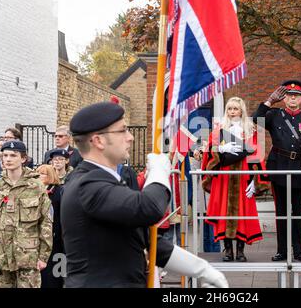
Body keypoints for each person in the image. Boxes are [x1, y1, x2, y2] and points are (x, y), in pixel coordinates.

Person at [61, 101, 228, 288]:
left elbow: (147, 239)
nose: (130, 137)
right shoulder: (87, 184)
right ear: (98, 141)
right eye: (122, 131)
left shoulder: (106, 180)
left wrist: (203, 270)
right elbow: (148, 208)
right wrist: (159, 172)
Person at [253, 80, 301, 262]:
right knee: (281, 212)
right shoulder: (274, 115)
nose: (292, 99)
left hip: (300, 170)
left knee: (298, 213)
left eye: (296, 96)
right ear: (284, 98)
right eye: (289, 95)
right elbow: (255, 119)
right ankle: (282, 250)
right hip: (279, 168)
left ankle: (298, 250)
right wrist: (269, 101)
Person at [203, 97, 268, 262]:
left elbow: (257, 155)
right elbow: (209, 151)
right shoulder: (219, 129)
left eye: (235, 109)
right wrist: (220, 148)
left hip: (243, 176)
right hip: (224, 178)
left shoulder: (250, 130)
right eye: (230, 108)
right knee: (224, 212)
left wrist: (256, 181)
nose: (232, 112)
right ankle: (227, 251)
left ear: (241, 110)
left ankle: (240, 251)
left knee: (242, 213)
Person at [0, 141, 52, 288]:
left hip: (28, 256)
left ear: (23, 159)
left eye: (13, 155)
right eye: (5, 155)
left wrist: (43, 256)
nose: (8, 159)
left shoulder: (36, 186)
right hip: (1, 255)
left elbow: (46, 222)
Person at [36, 164, 64, 288]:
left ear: (50, 175)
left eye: (42, 173)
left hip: (55, 236)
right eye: (38, 173)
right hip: (38, 235)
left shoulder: (58, 191)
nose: (38, 176)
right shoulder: (35, 190)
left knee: (54, 270)